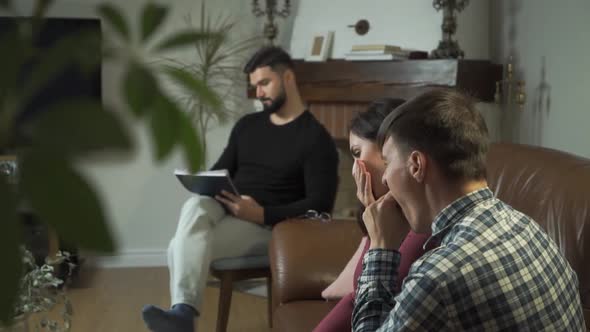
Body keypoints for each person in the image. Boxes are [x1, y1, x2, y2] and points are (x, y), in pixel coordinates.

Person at [142, 46, 339, 332]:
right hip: (227, 210)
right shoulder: (247, 126)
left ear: (288, 79)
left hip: (271, 228)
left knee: (178, 248)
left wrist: (261, 213)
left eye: (264, 83)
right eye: (254, 86)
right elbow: (220, 169)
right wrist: (201, 181)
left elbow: (320, 206)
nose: (258, 93)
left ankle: (183, 316)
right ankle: (183, 314)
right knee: (194, 206)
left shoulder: (315, 139)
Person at [353, 89, 586, 331]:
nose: (385, 181)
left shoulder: (438, 276)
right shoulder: (529, 229)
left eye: (388, 162)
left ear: (416, 166)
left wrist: (380, 248)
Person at [313, 99, 430, 332]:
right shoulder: (392, 217)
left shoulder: (419, 228)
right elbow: (358, 295)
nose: (355, 167)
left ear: (390, 148)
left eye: (357, 152)